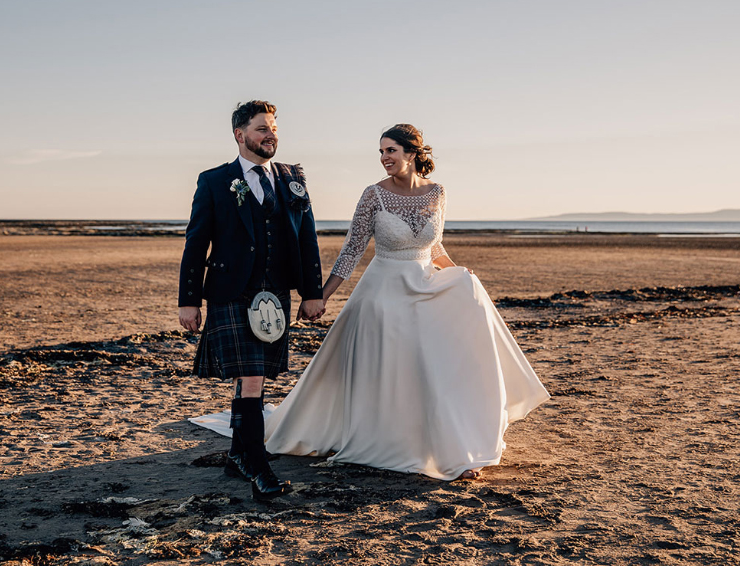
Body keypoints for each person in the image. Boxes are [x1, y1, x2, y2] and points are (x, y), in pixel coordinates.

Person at [192, 123, 549, 481]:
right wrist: (320, 297)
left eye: (390, 151)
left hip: (425, 284)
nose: (384, 158)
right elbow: (352, 250)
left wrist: (458, 272)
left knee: (444, 352)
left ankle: (453, 445)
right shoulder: (373, 195)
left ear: (411, 153)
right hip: (384, 290)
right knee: (405, 366)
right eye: (381, 152)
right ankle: (398, 439)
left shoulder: (437, 192)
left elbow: (434, 247)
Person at [179, 100, 325, 500]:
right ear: (240, 135)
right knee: (253, 375)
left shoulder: (293, 178)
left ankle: (238, 456)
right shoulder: (214, 181)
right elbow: (196, 244)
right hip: (231, 291)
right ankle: (257, 465)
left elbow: (306, 238)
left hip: (275, 294)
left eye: (273, 128)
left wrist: (312, 292)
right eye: (262, 129)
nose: (270, 135)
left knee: (254, 375)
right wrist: (188, 300)